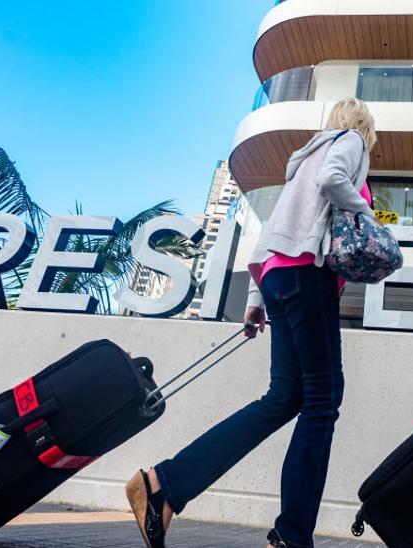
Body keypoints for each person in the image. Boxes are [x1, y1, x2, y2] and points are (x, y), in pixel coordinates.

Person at [126, 98, 377, 548]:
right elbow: (333, 181)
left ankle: (165, 483)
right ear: (363, 126)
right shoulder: (351, 143)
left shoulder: (302, 161)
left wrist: (258, 299)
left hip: (280, 279)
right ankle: (292, 535)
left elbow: (270, 236)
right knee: (323, 401)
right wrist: (368, 212)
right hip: (308, 278)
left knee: (283, 398)